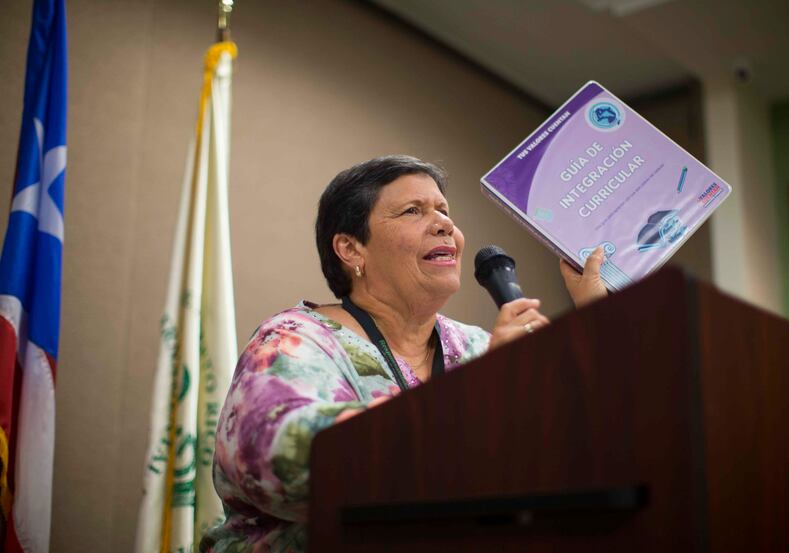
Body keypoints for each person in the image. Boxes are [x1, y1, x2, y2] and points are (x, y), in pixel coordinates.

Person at [200, 155, 607, 553]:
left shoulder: (479, 349)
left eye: (444, 211)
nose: (445, 224)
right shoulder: (297, 339)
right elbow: (275, 463)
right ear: (351, 249)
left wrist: (598, 328)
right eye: (413, 211)